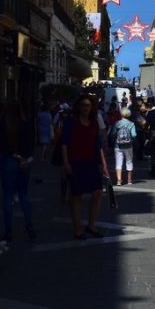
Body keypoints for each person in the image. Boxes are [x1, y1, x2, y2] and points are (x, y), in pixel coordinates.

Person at [60, 94, 109, 239]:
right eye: (83, 105)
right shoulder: (70, 122)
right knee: (77, 196)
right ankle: (78, 229)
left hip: (91, 162)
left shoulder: (93, 122)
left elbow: (98, 144)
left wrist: (104, 163)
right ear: (78, 107)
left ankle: (91, 224)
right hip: (75, 162)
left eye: (88, 105)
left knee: (98, 193)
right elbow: (64, 142)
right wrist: (66, 162)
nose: (85, 108)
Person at [0, 100, 36, 242]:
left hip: (9, 161)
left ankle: (8, 230)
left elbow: (3, 145)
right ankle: (29, 226)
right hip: (25, 162)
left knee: (8, 196)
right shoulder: (27, 124)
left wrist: (16, 156)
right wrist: (24, 158)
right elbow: (32, 144)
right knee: (24, 194)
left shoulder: (4, 124)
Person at [111, 107, 137, 186]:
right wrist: (131, 139)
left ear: (121, 114)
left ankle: (119, 180)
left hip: (118, 145)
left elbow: (113, 134)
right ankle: (129, 180)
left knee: (118, 163)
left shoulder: (117, 123)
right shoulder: (131, 124)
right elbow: (134, 135)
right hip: (128, 145)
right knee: (129, 161)